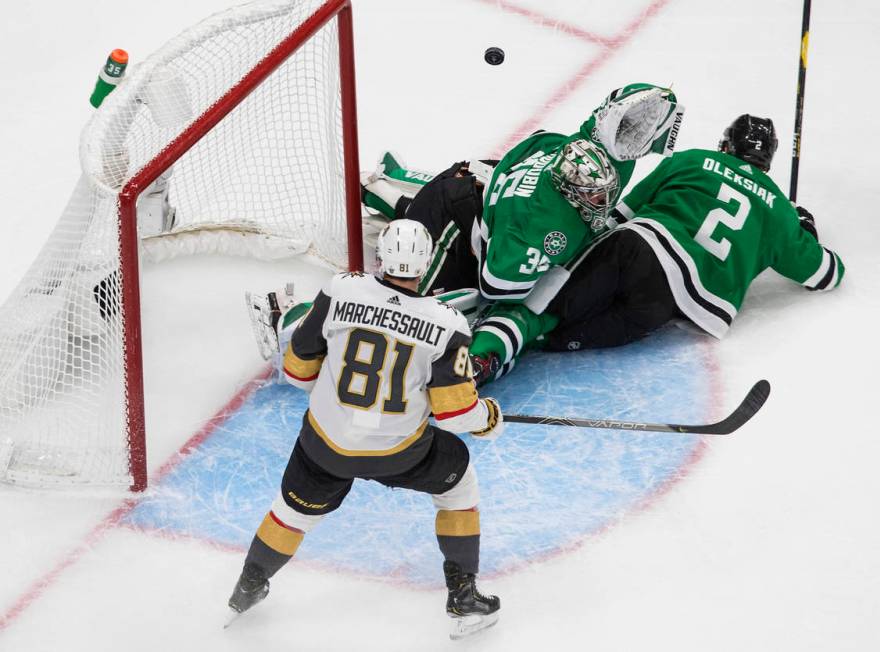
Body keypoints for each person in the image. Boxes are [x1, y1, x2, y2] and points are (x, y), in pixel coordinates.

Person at [228, 220, 504, 641]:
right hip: (400, 455)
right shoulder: (447, 324)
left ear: (381, 259)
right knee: (458, 485)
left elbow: (298, 371)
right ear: (426, 264)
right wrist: (487, 417)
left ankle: (246, 589)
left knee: (291, 514)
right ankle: (463, 597)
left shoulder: (341, 290)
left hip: (324, 447)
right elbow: (455, 416)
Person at [468, 114, 846, 384]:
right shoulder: (778, 208)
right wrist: (803, 227)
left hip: (637, 250)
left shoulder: (693, 159)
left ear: (725, 145)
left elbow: (617, 215)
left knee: (534, 308)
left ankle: (474, 361)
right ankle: (505, 348)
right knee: (550, 335)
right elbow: (827, 274)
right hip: (661, 309)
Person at [359, 84, 683, 299]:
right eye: (595, 197)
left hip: (477, 182)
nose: (604, 201)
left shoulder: (589, 144)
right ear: (571, 192)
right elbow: (496, 289)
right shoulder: (541, 225)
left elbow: (521, 158)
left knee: (459, 199)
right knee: (404, 305)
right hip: (453, 217)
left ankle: (380, 191)